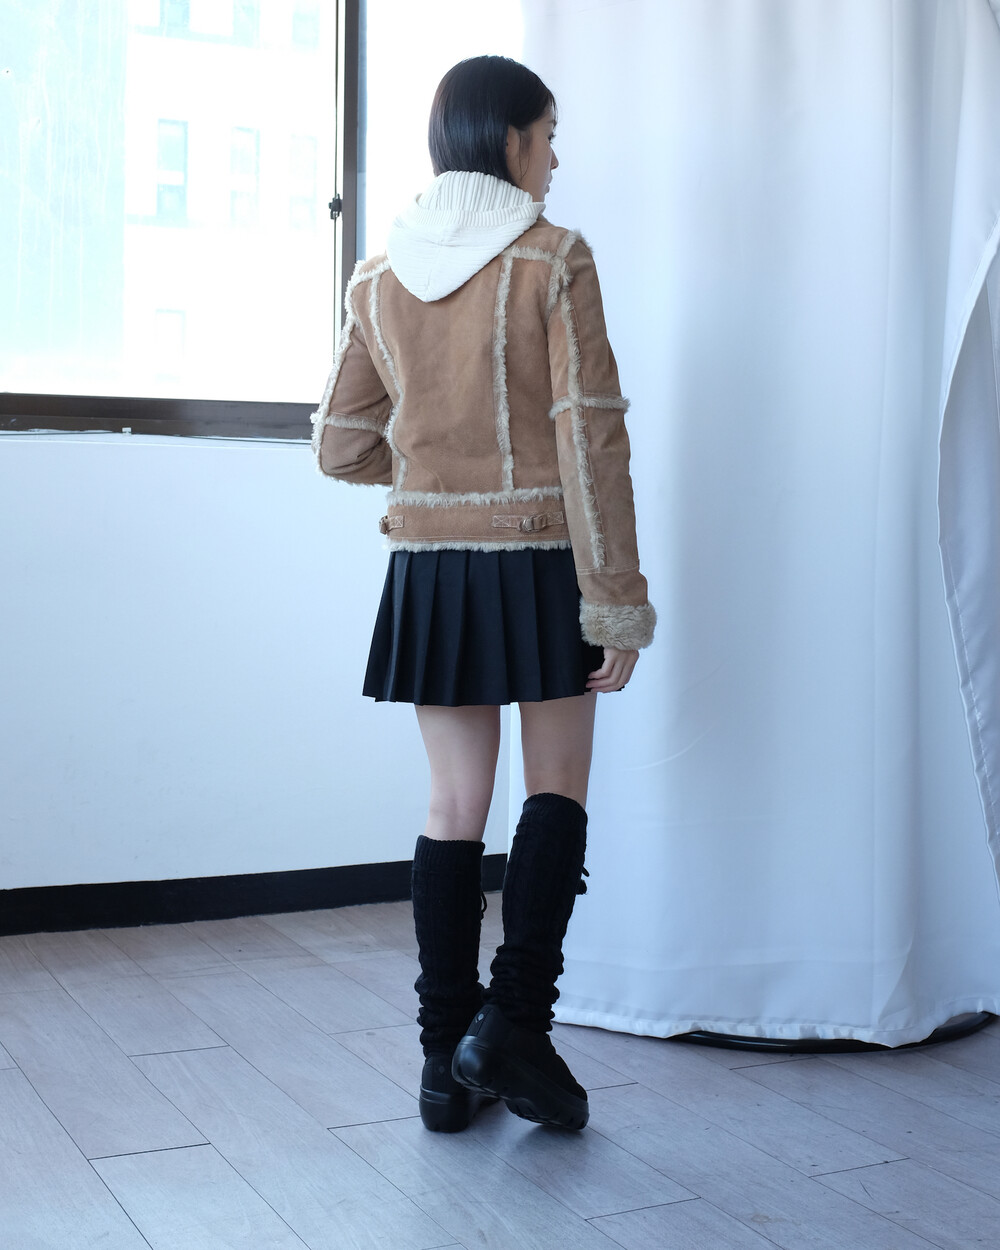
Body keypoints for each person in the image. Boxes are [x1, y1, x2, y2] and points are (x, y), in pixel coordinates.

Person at [312, 55, 655, 1133]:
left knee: (452, 807)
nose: (554, 160)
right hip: (540, 558)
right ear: (507, 139)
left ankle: (440, 1062)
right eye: (547, 137)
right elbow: (590, 437)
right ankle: (512, 1027)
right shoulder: (554, 257)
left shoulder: (378, 274)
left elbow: (339, 443)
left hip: (430, 570)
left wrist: (428, 481)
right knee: (555, 791)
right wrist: (616, 598)